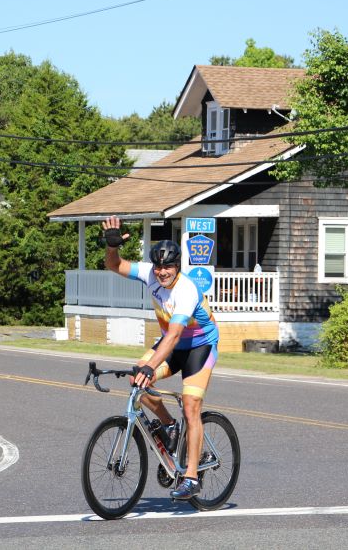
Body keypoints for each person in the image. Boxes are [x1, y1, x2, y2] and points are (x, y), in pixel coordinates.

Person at [102, 215, 220, 501]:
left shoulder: (187, 290)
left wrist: (150, 364)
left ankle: (191, 476)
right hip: (172, 344)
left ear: (177, 267)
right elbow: (114, 265)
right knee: (137, 382)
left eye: (168, 266)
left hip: (199, 346)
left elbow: (175, 335)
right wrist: (112, 246)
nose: (162, 271)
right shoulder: (149, 274)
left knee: (191, 406)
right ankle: (168, 424)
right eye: (159, 266)